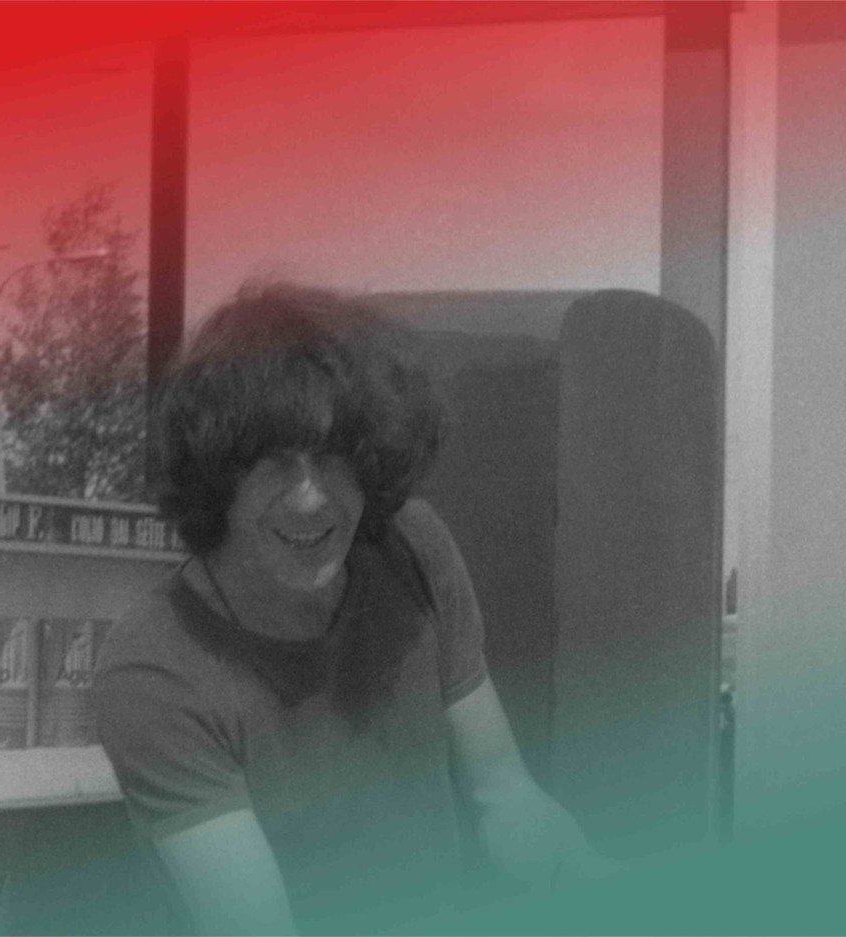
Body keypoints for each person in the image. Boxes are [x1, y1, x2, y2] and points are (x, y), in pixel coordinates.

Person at [95, 283, 609, 935]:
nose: (310, 498)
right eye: (274, 462)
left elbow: (506, 803)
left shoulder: (413, 549)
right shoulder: (154, 668)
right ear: (217, 476)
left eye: (336, 457)